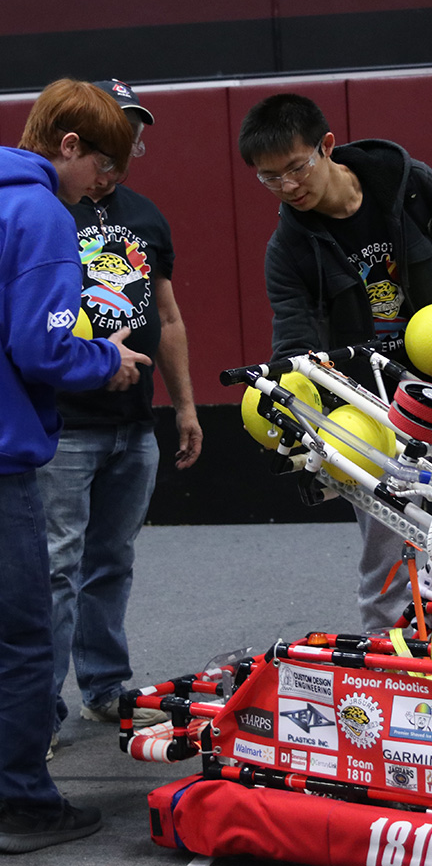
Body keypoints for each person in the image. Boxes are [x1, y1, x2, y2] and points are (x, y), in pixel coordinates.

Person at [238, 93, 432, 631]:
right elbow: (293, 342)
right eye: (270, 179)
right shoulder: (287, 250)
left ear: (327, 146)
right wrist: (292, 401)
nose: (288, 187)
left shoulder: (411, 186)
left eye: (296, 168)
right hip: (368, 410)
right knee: (386, 542)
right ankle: (386, 650)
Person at [0, 78, 152, 853]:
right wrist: (107, 360)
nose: (107, 184)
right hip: (2, 459)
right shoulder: (39, 213)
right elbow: (43, 345)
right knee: (24, 637)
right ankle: (22, 801)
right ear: (68, 147)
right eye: (104, 167)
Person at [37, 80, 203, 750]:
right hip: (65, 425)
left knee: (112, 560)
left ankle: (104, 688)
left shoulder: (146, 216)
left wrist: (185, 405)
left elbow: (166, 316)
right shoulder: (45, 210)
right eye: (116, 129)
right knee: (55, 566)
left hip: (135, 425)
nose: (127, 143)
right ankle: (36, 709)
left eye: (133, 130)